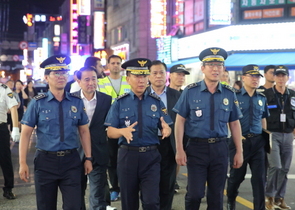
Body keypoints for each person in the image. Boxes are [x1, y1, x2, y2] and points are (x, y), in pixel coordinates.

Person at [19, 54, 93, 210]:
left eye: (64, 72)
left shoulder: (76, 102)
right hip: (46, 162)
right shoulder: (37, 103)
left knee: (74, 206)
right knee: (46, 206)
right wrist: (22, 162)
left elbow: (84, 132)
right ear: (46, 77)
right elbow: (25, 133)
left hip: (71, 161)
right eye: (56, 73)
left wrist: (88, 158)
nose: (61, 76)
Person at [173, 47, 243, 210]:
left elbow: (234, 123)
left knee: (216, 195)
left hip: (220, 148)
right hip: (197, 148)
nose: (215, 69)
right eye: (210, 65)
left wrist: (239, 151)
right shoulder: (191, 92)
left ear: (223, 68)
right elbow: (180, 121)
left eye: (219, 65)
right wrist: (179, 149)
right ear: (203, 68)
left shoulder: (229, 93)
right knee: (195, 193)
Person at [104, 58, 173, 210]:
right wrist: (122, 131)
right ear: (128, 79)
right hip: (128, 157)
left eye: (144, 76)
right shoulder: (120, 103)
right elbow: (110, 132)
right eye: (137, 76)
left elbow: (166, 124)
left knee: (151, 202)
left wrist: (166, 129)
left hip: (151, 157)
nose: (141, 80)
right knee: (129, 202)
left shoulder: (156, 102)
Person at [226, 64, 269, 210]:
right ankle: (231, 199)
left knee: (259, 180)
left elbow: (263, 118)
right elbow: (228, 119)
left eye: (257, 76)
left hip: (258, 142)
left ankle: (260, 207)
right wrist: (233, 136)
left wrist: (264, 135)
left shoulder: (262, 98)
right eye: (252, 76)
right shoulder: (234, 97)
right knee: (236, 177)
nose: (255, 79)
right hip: (240, 142)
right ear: (243, 78)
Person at [73, 66, 115, 210]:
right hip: (76, 152)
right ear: (78, 81)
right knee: (77, 192)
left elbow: (110, 124)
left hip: (99, 151)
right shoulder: (71, 99)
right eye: (86, 79)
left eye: (94, 79)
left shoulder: (106, 100)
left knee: (97, 193)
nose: (91, 82)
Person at [147, 60, 181, 210]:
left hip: (169, 144)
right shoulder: (142, 94)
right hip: (148, 144)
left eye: (161, 72)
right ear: (148, 76)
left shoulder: (177, 95)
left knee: (168, 185)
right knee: (149, 185)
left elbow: (183, 121)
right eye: (154, 73)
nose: (158, 76)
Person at [99, 55, 131, 201]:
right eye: (113, 63)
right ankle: (114, 188)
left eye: (118, 63)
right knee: (111, 159)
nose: (116, 66)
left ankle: (127, 187)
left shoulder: (128, 81)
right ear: (108, 65)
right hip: (109, 125)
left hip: (127, 125)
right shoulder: (101, 82)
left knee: (127, 158)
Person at [264, 65, 294, 210]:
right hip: (272, 134)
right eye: (278, 75)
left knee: (285, 169)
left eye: (284, 76)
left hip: (288, 135)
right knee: (275, 166)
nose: (281, 78)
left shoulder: (293, 95)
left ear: (288, 77)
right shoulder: (266, 94)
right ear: (274, 78)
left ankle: (279, 198)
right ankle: (269, 196)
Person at [168, 64, 190, 192]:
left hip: (184, 132)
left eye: (183, 75)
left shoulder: (186, 94)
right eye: (178, 74)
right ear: (170, 76)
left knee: (178, 159)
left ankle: (173, 182)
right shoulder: (164, 93)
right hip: (166, 131)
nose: (181, 77)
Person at [0, 83, 20, 199]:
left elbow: (13, 107)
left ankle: (8, 188)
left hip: (1, 129)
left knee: (5, 159)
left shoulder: (3, 89)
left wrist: (16, 128)